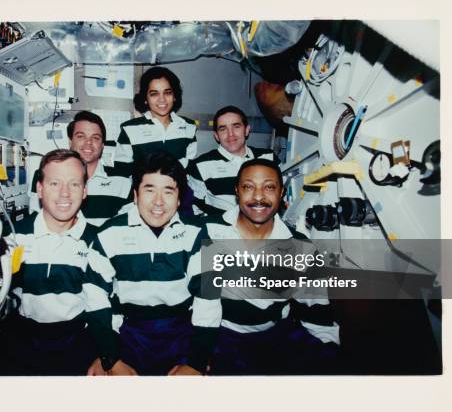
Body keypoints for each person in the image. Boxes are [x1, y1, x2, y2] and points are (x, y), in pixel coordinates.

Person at [86, 151, 221, 375]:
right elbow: (95, 300)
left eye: (168, 191)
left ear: (179, 198)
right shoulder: (108, 234)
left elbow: (208, 301)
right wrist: (110, 357)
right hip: (127, 338)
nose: (158, 201)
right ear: (135, 195)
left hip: (182, 337)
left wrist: (196, 362)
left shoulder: (199, 233)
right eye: (149, 190)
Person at [205, 158, 339, 375]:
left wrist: (327, 358)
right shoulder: (209, 233)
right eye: (249, 187)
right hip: (217, 336)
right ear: (236, 191)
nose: (258, 197)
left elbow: (317, 314)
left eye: (269, 187)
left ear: (281, 193)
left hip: (273, 337)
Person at [0, 149, 108, 375]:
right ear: (39, 189)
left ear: (85, 190)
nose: (65, 194)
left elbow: (102, 306)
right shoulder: (14, 236)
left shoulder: (98, 241)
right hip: (20, 345)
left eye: (74, 184)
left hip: (77, 346)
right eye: (55, 184)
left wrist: (104, 355)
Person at [29, 111, 132, 226]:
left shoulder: (122, 180)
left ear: (102, 145)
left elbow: (126, 225)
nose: (88, 142)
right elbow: (37, 220)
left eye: (95, 138)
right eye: (80, 136)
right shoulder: (45, 175)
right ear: (70, 141)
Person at [187, 105, 278, 216]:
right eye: (223, 129)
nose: (231, 134)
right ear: (216, 136)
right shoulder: (200, 166)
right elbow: (193, 209)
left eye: (236, 126)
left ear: (247, 130)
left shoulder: (268, 157)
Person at [114, 67, 197, 170]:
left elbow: (190, 171)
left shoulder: (189, 127)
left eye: (167, 93)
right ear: (145, 99)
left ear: (175, 96)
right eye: (154, 94)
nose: (162, 99)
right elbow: (122, 173)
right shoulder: (129, 129)